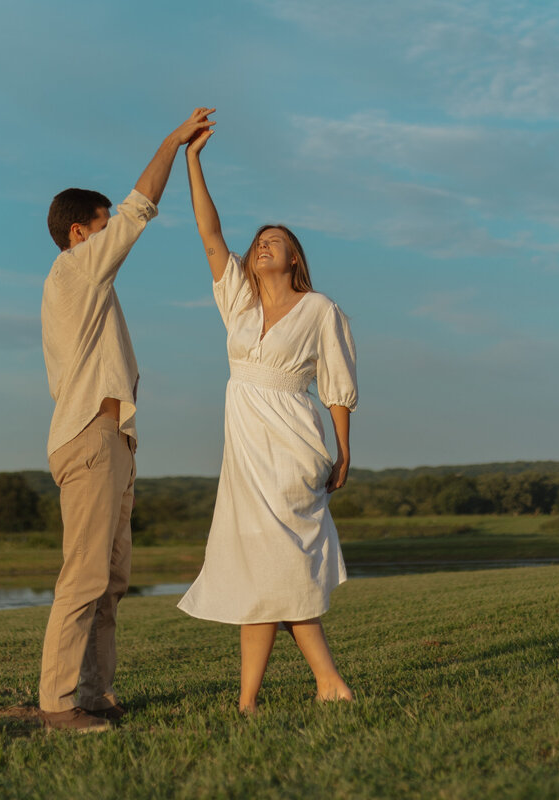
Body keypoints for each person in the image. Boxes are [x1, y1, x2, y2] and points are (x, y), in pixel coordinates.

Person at [38, 108, 216, 733]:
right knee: (83, 575)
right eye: (103, 224)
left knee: (111, 580)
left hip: (112, 440)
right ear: (81, 233)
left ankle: (94, 693)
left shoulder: (91, 283)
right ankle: (58, 705)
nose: (114, 232)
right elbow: (141, 206)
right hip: (89, 438)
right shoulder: (75, 268)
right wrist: (173, 142)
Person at [176, 119, 358, 714]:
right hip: (243, 454)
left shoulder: (320, 309)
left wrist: (344, 447)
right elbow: (209, 234)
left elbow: (336, 384)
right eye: (259, 241)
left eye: (275, 240)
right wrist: (192, 161)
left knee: (282, 564)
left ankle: (327, 679)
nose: (262, 244)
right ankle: (249, 701)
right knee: (260, 572)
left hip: (292, 446)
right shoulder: (237, 300)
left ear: (294, 257)